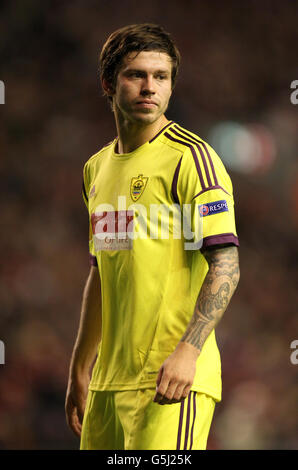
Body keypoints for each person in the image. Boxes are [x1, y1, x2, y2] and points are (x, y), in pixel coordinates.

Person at [65, 23, 240, 450]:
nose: (149, 88)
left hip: (169, 379)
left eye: (160, 77)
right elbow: (103, 271)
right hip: (108, 386)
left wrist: (189, 353)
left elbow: (227, 264)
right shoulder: (96, 169)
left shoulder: (191, 159)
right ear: (108, 83)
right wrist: (79, 368)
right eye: (136, 75)